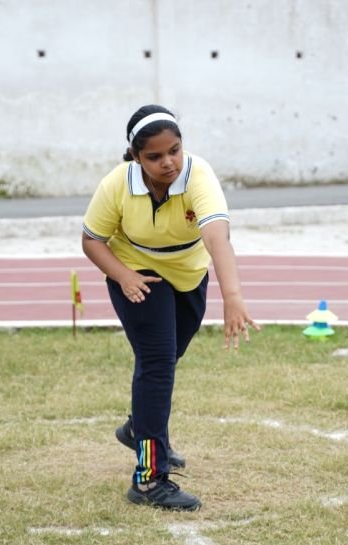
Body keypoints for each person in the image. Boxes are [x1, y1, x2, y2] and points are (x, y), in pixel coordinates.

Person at [82, 105, 260, 510]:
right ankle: (148, 479)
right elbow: (91, 239)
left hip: (189, 273)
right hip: (137, 273)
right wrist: (124, 276)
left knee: (166, 359)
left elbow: (217, 238)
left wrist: (232, 296)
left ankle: (138, 428)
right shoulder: (116, 185)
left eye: (174, 151)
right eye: (155, 156)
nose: (168, 163)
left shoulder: (199, 175)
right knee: (158, 362)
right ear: (134, 156)